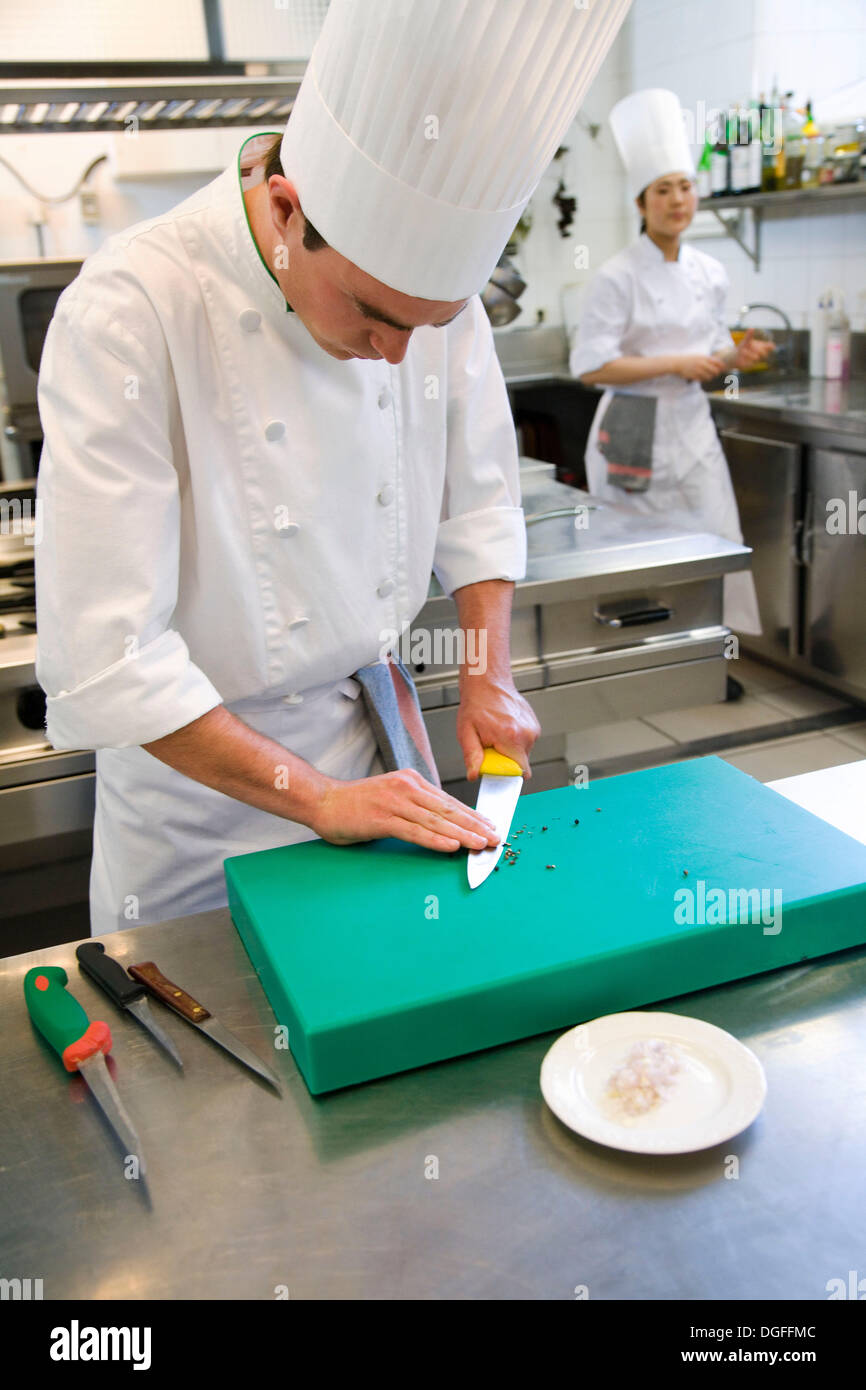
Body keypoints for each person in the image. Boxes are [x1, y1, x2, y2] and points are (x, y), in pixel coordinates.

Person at [35, 0, 630, 934]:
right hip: (200, 814)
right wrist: (313, 800)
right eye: (372, 316)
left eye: (426, 327)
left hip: (374, 767)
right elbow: (111, 659)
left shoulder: (430, 296)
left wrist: (487, 673)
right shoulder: (130, 310)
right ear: (285, 212)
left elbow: (476, 502)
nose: (397, 355)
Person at [570, 88, 772, 694]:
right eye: (663, 190)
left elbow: (709, 354)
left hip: (691, 428)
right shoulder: (615, 275)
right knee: (636, 552)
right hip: (632, 429)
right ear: (641, 203)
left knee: (713, 541)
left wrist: (736, 358)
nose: (678, 200)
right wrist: (675, 362)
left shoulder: (710, 272)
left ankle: (710, 665)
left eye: (685, 186)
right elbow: (589, 365)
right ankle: (633, 667)